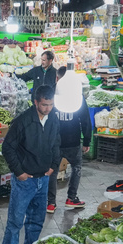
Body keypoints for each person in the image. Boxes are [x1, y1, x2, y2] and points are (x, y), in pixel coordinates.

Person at [0, 84, 60, 244]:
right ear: (36, 102)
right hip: (25, 181)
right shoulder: (22, 121)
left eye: (51, 105)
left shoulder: (53, 118)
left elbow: (56, 143)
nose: (48, 109)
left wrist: (53, 166)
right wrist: (19, 172)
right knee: (16, 221)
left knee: (36, 221)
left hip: (44, 179)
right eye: (44, 105)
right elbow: (7, 148)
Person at [49, 73, 91, 211]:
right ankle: (71, 198)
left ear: (57, 78)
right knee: (76, 167)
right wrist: (87, 141)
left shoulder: (52, 94)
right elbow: (85, 120)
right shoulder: (77, 95)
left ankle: (50, 203)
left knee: (52, 170)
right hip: (73, 141)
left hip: (55, 141)